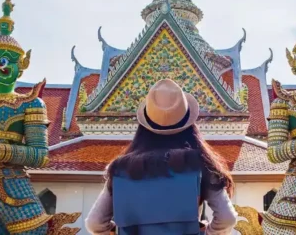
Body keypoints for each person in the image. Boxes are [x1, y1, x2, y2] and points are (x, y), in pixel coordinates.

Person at [85, 79, 237, 235]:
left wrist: (116, 230)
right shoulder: (199, 164)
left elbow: (95, 223)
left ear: (144, 125)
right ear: (189, 124)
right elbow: (227, 218)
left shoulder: (120, 168)